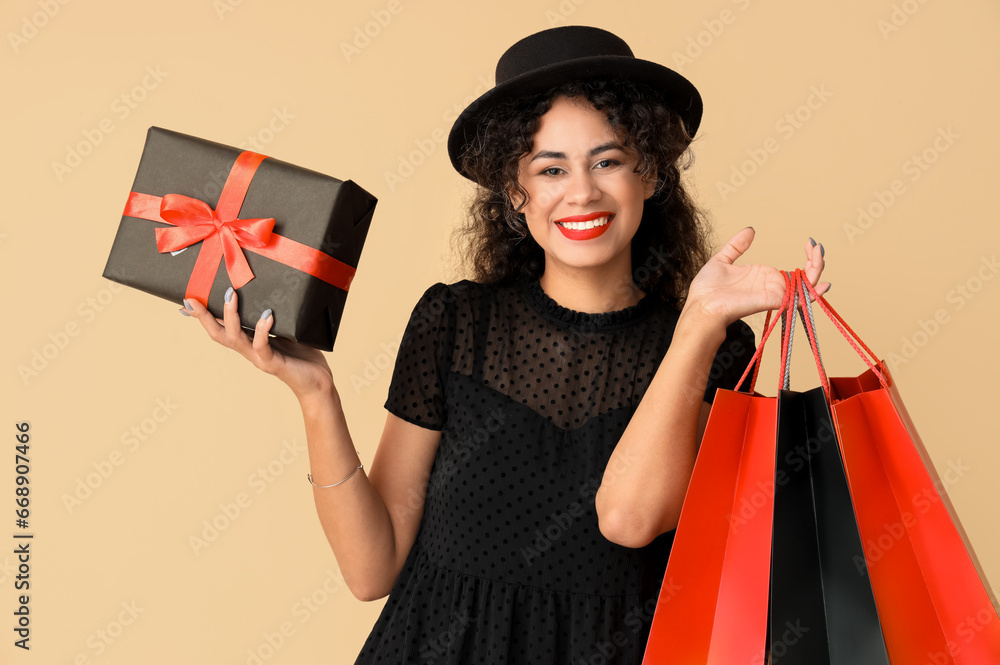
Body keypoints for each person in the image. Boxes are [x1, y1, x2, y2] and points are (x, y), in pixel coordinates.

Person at [180, 25, 828, 664]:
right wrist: (314, 391)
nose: (582, 192)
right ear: (515, 194)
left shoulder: (714, 346)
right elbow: (370, 570)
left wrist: (698, 324)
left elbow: (628, 518)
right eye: (550, 169)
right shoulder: (454, 323)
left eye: (608, 160)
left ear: (651, 174)